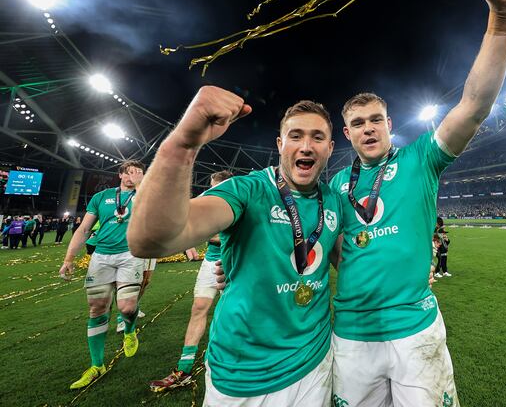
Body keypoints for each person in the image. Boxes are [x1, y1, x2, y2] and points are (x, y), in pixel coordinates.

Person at [328, 0, 506, 406]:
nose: (369, 128)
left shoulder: (421, 159)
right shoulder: (336, 186)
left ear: (388, 122)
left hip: (414, 331)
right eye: (358, 123)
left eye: (376, 119)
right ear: (347, 133)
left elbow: (474, 105)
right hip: (352, 333)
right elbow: (333, 249)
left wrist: (503, 17)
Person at [128, 95, 343, 406]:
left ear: (330, 148)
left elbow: (349, 262)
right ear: (280, 144)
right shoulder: (247, 190)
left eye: (317, 137)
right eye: (296, 136)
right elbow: (151, 240)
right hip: (242, 370)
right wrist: (184, 143)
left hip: (313, 363)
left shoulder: (333, 200)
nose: (306, 146)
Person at [58, 160, 148, 389]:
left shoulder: (146, 194)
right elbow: (84, 229)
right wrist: (69, 259)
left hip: (131, 255)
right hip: (101, 257)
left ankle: (129, 330)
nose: (134, 176)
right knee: (97, 309)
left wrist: (142, 185)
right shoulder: (102, 197)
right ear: (120, 175)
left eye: (139, 172)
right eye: (130, 172)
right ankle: (97, 365)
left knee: (127, 307)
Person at [148, 170, 235, 392]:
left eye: (219, 187)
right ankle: (183, 369)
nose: (214, 191)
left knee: (234, 313)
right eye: (213, 187)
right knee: (198, 308)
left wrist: (206, 233)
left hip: (235, 263)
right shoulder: (205, 198)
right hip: (211, 261)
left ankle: (236, 362)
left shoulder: (237, 197)